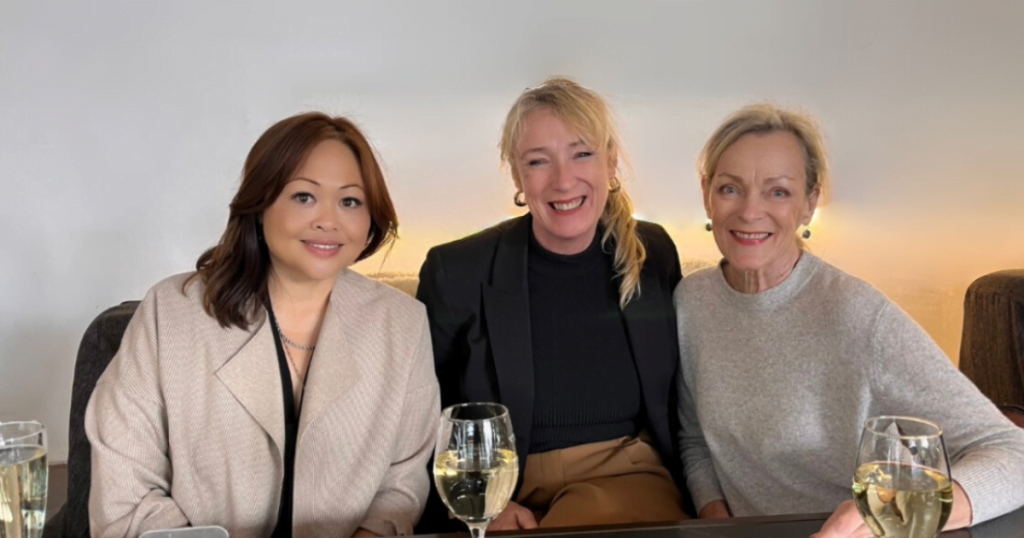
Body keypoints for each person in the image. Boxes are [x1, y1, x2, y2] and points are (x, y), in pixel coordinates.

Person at [675, 103, 1024, 538]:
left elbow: (1013, 452)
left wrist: (896, 516)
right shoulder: (690, 301)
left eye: (778, 191)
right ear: (707, 192)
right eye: (730, 188)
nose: (749, 211)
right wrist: (719, 523)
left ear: (810, 203)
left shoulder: (859, 316)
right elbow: (696, 442)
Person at [86, 112, 441, 538]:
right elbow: (125, 490)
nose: (328, 220)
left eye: (350, 201)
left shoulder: (402, 323)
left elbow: (403, 481)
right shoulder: (170, 314)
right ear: (259, 205)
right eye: (304, 197)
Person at [417, 77, 690, 530]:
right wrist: (476, 499)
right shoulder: (457, 270)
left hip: (626, 478)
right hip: (502, 483)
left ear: (611, 162)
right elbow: (422, 413)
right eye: (538, 162)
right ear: (518, 176)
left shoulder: (653, 251)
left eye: (582, 154)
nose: (563, 181)